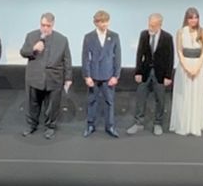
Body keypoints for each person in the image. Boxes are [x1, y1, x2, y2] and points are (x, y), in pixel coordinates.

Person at [20, 12, 72, 139]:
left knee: (52, 105)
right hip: (34, 77)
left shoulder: (62, 39)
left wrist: (68, 78)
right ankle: (31, 125)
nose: (45, 28)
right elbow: (23, 52)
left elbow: (67, 60)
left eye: (48, 26)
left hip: (54, 78)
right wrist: (34, 49)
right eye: (43, 25)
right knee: (33, 103)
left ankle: (50, 127)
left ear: (53, 25)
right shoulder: (31, 36)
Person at [127, 13, 173, 136]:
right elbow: (139, 54)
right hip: (145, 72)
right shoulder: (144, 35)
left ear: (160, 25)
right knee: (141, 97)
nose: (150, 28)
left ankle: (158, 123)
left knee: (160, 99)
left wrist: (168, 76)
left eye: (153, 25)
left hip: (160, 73)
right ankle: (138, 123)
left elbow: (170, 58)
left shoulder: (167, 37)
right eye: (149, 24)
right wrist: (137, 72)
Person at [81, 10, 121, 138]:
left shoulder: (114, 36)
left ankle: (110, 126)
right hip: (94, 75)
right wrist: (87, 76)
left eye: (106, 22)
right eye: (102, 22)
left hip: (109, 75)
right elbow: (85, 58)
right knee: (92, 101)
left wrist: (116, 75)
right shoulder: (89, 37)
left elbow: (118, 58)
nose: (105, 24)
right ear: (96, 23)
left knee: (109, 101)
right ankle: (90, 125)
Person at [170, 7, 203, 136]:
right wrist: (186, 67)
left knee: (196, 95)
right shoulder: (181, 32)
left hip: (198, 68)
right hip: (184, 67)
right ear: (186, 19)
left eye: (196, 17)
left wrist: (196, 69)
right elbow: (179, 51)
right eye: (191, 18)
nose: (193, 20)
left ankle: (195, 124)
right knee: (184, 95)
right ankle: (183, 124)